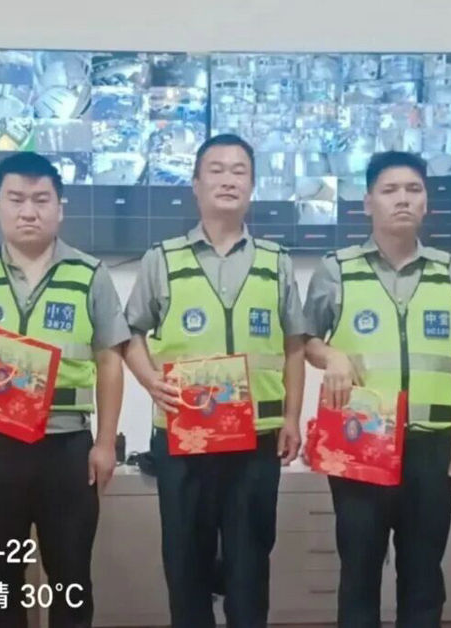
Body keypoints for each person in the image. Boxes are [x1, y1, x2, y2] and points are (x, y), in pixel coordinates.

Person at [123, 133, 306, 628]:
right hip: (183, 437)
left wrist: (292, 417)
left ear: (252, 185)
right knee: (186, 563)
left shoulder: (276, 261)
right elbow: (130, 333)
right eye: (217, 170)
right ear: (196, 184)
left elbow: (295, 343)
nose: (228, 179)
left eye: (239, 171)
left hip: (256, 439)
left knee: (250, 565)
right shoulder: (162, 259)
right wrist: (150, 381)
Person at [0, 151, 129, 628]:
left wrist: (106, 443)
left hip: (66, 449)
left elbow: (110, 359)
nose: (29, 211)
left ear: (59, 208)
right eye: (16, 199)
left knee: (70, 580)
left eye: (41, 199)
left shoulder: (89, 274)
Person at [303, 151, 451, 628]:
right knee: (359, 570)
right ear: (368, 203)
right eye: (389, 190)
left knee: (423, 574)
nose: (402, 199)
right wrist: (332, 356)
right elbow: (307, 341)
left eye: (413, 190)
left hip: (432, 443)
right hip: (359, 441)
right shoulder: (336, 269)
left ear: (426, 202)